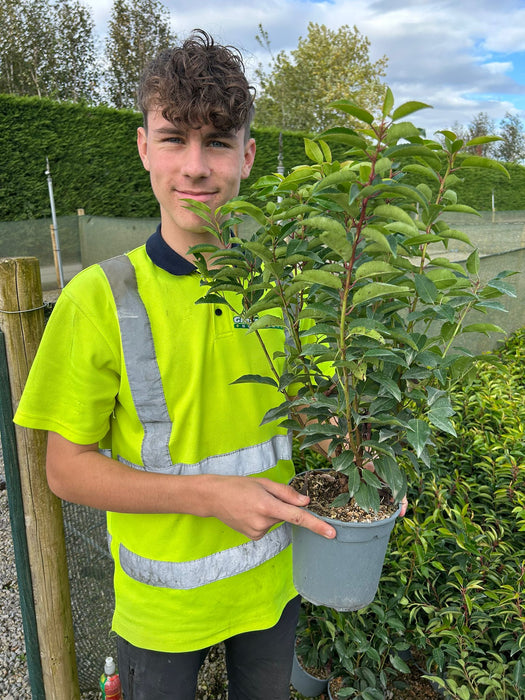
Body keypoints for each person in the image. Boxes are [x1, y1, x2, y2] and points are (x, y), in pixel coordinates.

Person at [14, 30, 339, 700]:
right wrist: (211, 498)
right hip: (161, 610)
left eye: (217, 142)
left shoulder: (285, 292)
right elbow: (64, 470)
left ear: (246, 156)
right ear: (143, 149)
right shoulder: (98, 298)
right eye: (174, 138)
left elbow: (310, 420)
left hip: (275, 585)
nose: (196, 166)